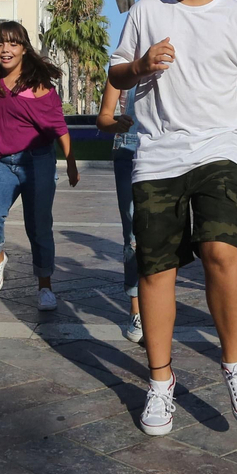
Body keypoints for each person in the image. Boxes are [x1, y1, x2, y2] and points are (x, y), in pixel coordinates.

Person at [108, 0, 237, 437]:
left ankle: (235, 365)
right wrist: (140, 67)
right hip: (157, 153)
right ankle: (160, 383)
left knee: (221, 250)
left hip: (220, 150)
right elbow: (116, 72)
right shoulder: (145, 13)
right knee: (155, 268)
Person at [0, 21, 78, 310]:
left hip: (38, 162)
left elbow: (59, 127)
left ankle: (45, 286)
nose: (5, 50)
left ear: (23, 48)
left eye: (12, 44)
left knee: (39, 227)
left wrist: (70, 163)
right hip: (2, 161)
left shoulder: (38, 85)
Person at [97, 81, 143, 342]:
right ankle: (136, 309)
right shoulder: (124, 68)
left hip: (167, 148)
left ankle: (158, 304)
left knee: (163, 234)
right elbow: (103, 118)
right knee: (134, 234)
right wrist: (117, 125)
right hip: (128, 145)